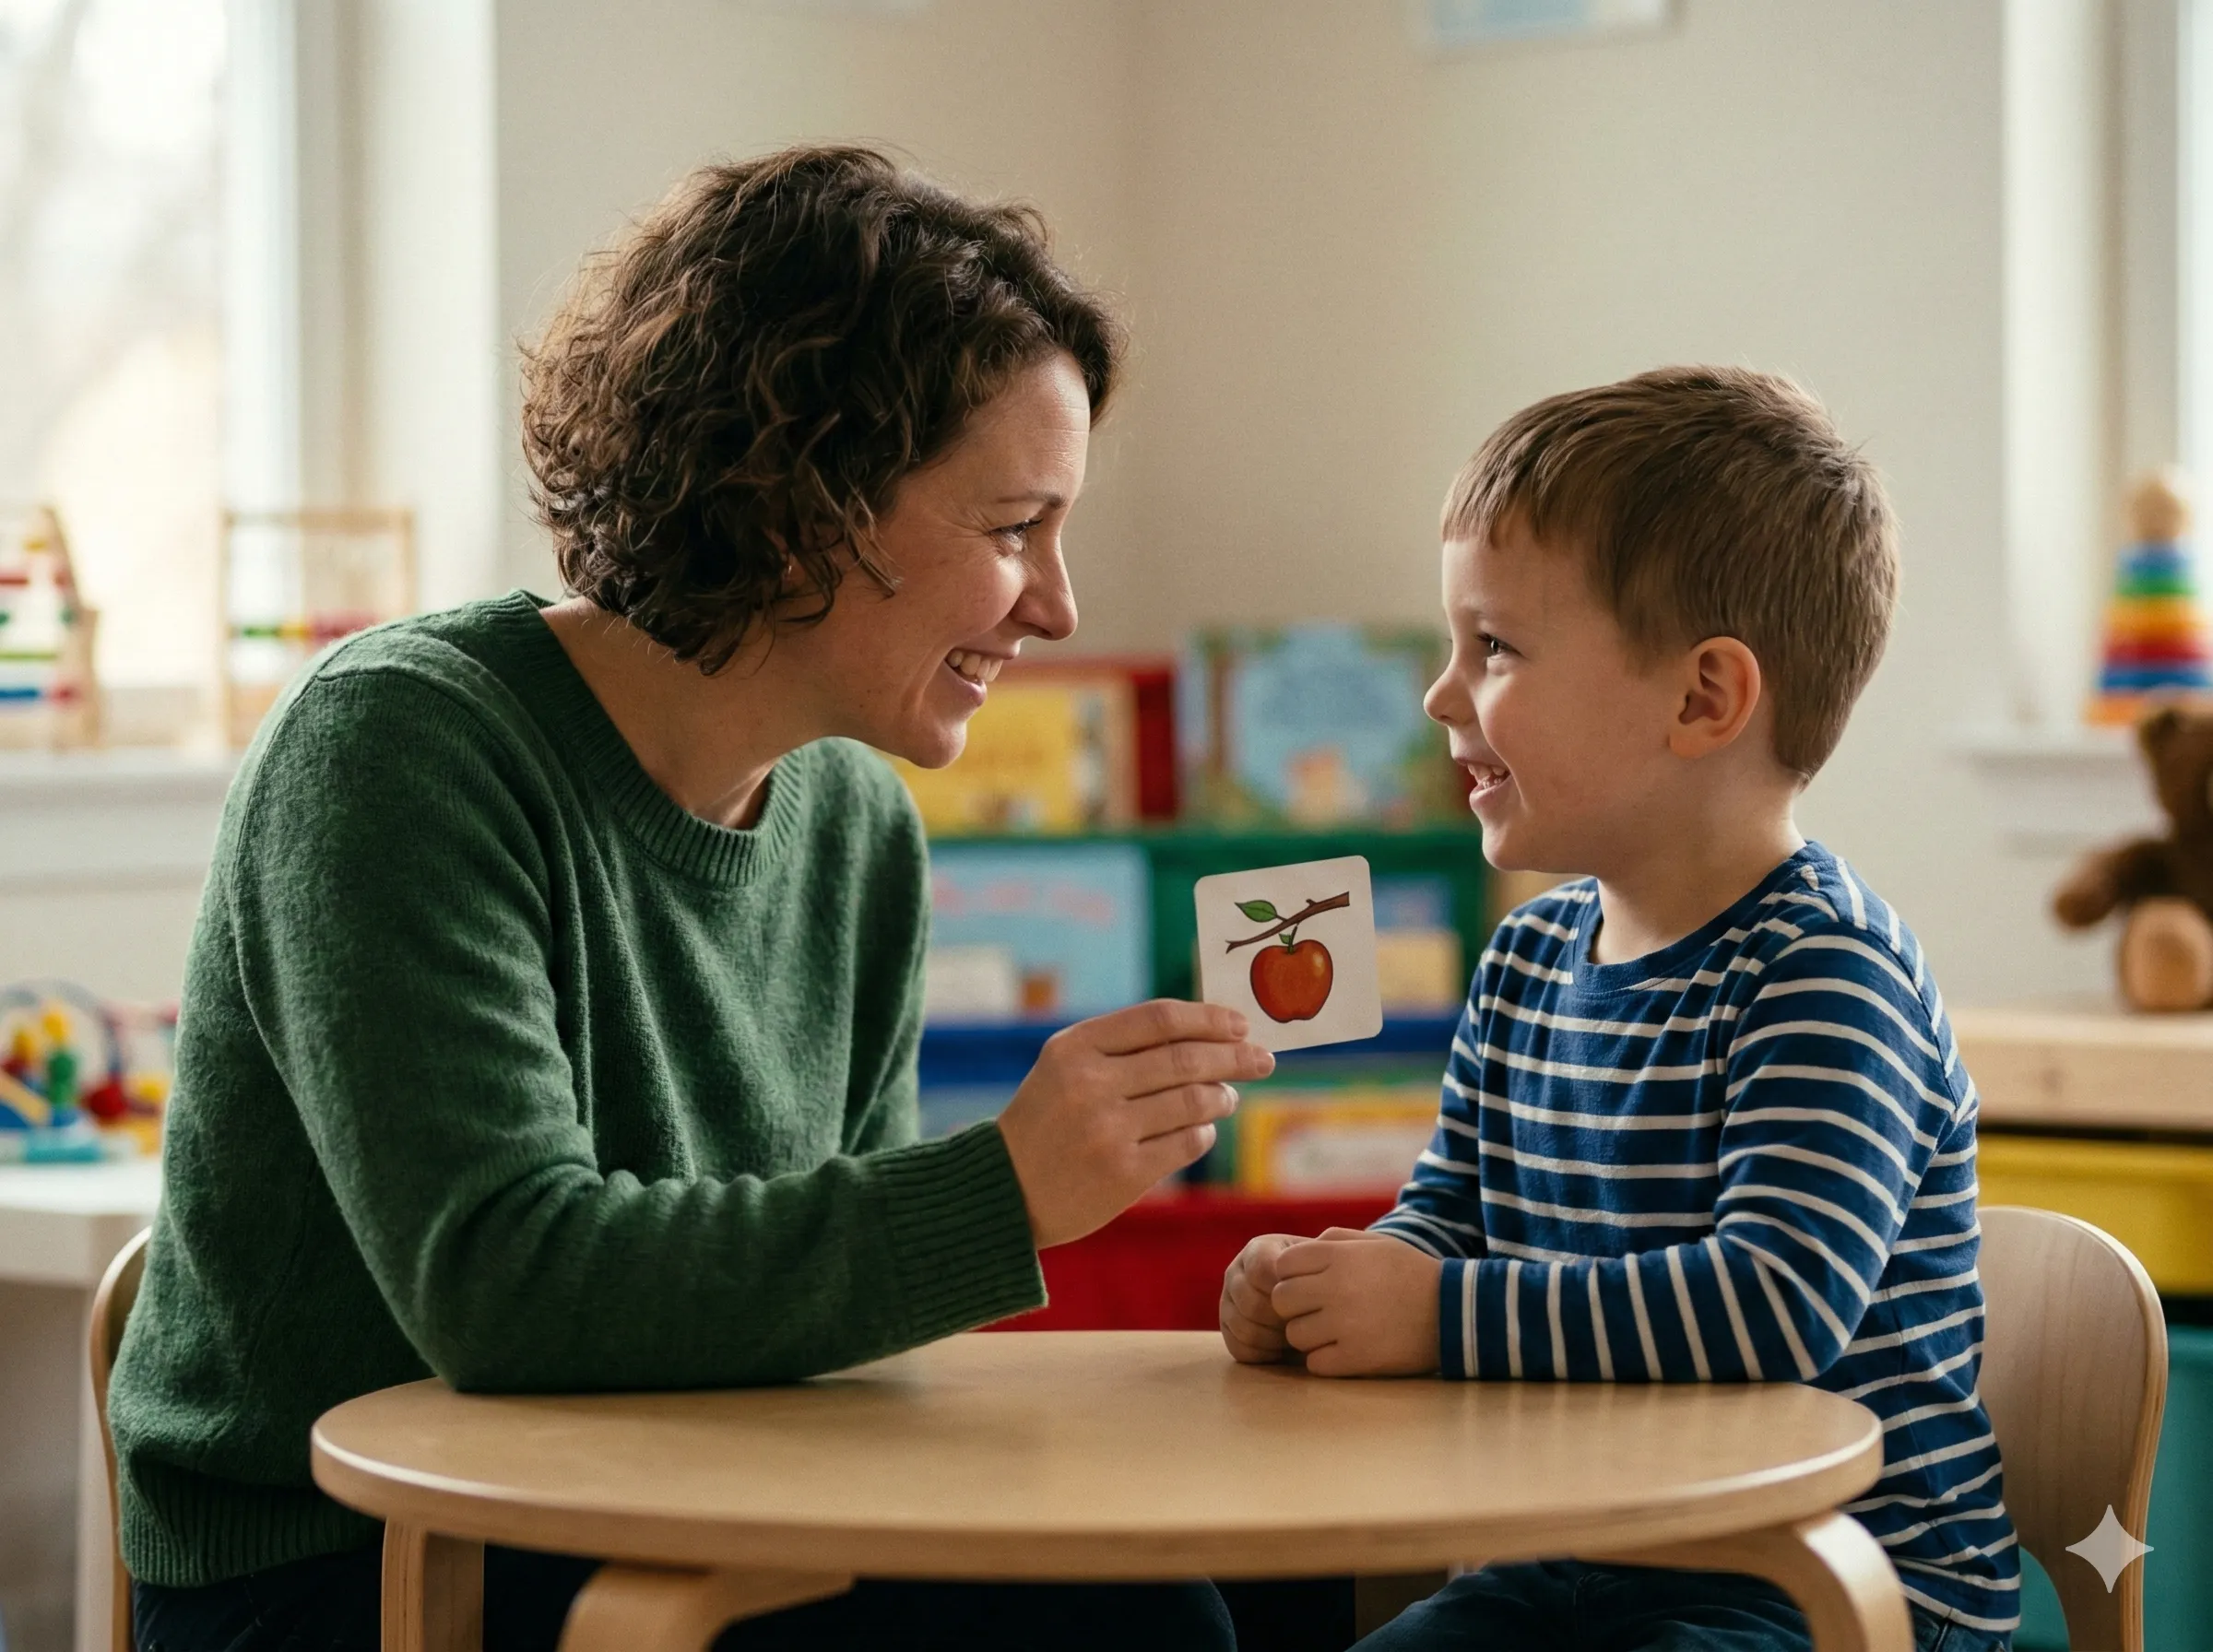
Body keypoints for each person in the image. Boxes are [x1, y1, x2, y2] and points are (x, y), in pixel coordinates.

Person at [112, 145, 1272, 1652]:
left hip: (689, 1497)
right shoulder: (398, 746)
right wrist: (1003, 1193)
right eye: (1010, 529)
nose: (1059, 603)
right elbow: (504, 1287)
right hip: (354, 1568)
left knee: (1253, 1593)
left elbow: (820, 1325)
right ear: (805, 504)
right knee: (1141, 1634)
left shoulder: (857, 822)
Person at [1219, 368, 2019, 1652]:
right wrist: (1338, 1284)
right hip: (1581, 1565)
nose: (1440, 695)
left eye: (1495, 649)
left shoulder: (1823, 972)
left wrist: (1435, 1317)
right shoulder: (1530, 962)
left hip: (1829, 1587)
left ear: (1703, 700)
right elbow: (1450, 1213)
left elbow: (1773, 1304)